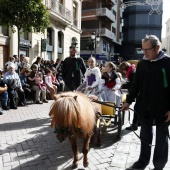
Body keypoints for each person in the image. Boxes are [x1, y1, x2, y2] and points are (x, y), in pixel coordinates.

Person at [122, 35, 170, 170]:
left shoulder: (168, 63)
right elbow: (136, 85)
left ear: (157, 48)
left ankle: (159, 166)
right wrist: (128, 101)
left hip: (163, 109)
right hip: (145, 107)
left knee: (161, 138)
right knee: (145, 136)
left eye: (147, 49)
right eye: (143, 50)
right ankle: (143, 161)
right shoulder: (142, 64)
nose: (144, 53)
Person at [119, 61, 138, 130]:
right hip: (139, 93)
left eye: (123, 71)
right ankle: (137, 123)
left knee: (137, 108)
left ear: (124, 69)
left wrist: (123, 85)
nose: (124, 73)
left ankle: (135, 124)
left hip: (139, 93)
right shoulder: (133, 70)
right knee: (137, 108)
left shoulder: (132, 73)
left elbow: (132, 85)